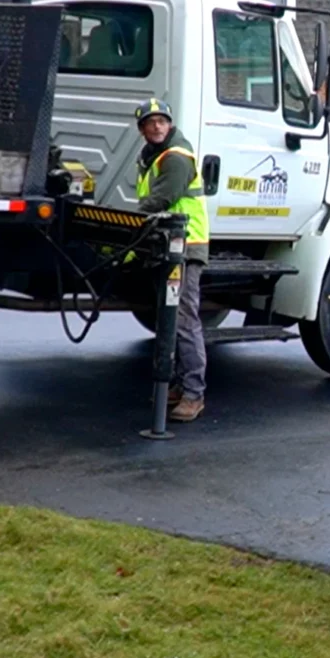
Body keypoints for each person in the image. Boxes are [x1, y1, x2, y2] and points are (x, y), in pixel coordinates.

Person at [134, 99, 209, 422]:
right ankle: (180, 385)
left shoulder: (176, 157)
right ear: (141, 129)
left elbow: (161, 199)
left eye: (161, 121)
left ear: (170, 124)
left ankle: (194, 393)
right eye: (150, 122)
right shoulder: (152, 156)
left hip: (186, 246)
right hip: (167, 246)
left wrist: (129, 222)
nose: (157, 126)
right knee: (170, 318)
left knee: (183, 319)